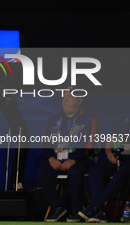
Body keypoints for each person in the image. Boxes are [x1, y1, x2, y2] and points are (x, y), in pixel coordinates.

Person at [36, 89, 98, 222]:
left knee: (75, 172)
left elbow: (90, 146)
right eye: (64, 97)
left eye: (70, 96)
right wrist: (51, 158)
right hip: (57, 159)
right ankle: (57, 206)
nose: (65, 99)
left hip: (81, 160)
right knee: (42, 172)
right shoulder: (53, 119)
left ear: (79, 100)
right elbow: (44, 144)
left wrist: (73, 160)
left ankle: (76, 211)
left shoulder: (90, 119)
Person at [78, 117, 130, 223]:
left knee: (120, 174)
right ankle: (100, 212)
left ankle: (94, 206)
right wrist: (109, 154)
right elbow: (109, 142)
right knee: (94, 170)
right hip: (118, 157)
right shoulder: (122, 121)